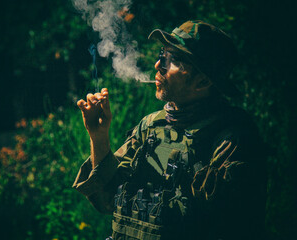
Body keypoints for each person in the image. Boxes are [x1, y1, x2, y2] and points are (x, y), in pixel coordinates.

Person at [73, 20, 266, 240]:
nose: (158, 64)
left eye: (172, 59)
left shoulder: (231, 140)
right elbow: (107, 199)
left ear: (202, 81)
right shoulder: (151, 126)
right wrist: (98, 136)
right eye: (162, 53)